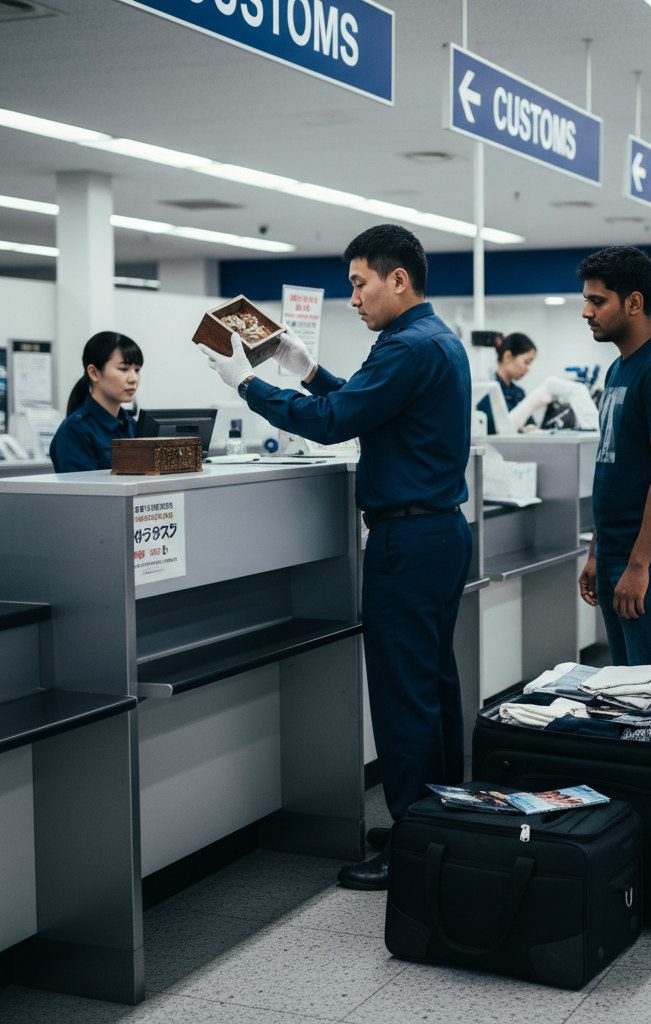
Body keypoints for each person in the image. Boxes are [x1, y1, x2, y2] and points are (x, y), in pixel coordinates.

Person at [198, 224, 473, 891]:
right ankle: (437, 820)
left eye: (359, 283)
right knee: (433, 686)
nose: (351, 297)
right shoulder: (435, 341)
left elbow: (334, 421)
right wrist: (306, 367)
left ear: (397, 279)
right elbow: (368, 404)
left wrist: (249, 385)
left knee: (404, 695)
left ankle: (412, 836)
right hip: (439, 534)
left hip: (407, 544)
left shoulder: (405, 347)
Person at [576, 246, 651, 665]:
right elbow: (615, 468)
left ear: (634, 302)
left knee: (649, 694)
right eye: (586, 300)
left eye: (597, 301)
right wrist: (598, 551)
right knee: (625, 689)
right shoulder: (619, 368)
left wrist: (638, 565)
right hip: (618, 552)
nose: (586, 312)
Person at [50, 332, 143, 472]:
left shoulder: (133, 427)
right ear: (93, 373)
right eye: (123, 369)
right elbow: (83, 491)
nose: (133, 378)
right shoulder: (75, 430)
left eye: (137, 370)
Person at [476, 332, 537, 433]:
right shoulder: (487, 393)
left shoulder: (519, 394)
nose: (528, 369)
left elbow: (530, 423)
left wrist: (530, 428)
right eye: (526, 362)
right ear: (508, 356)